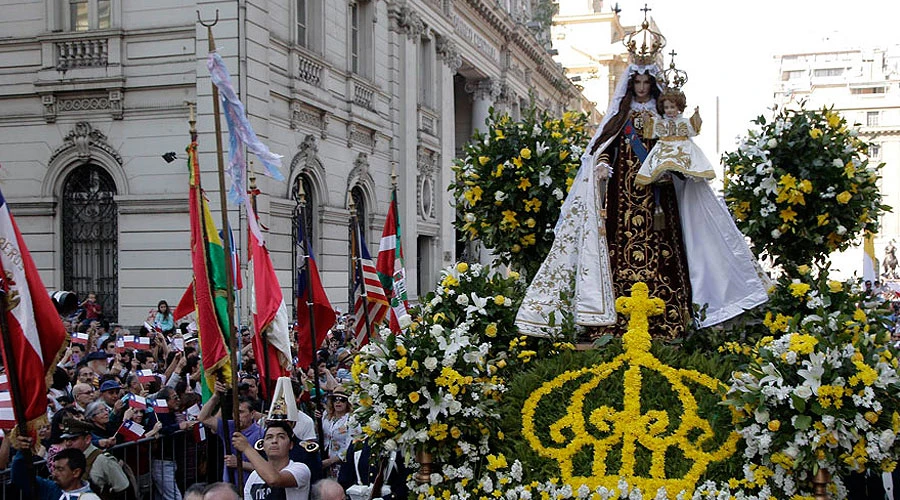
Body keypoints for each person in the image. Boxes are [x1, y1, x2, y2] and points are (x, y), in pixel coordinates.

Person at [517, 26, 767, 338]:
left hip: (658, 196)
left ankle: (670, 314)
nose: (642, 88)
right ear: (630, 82)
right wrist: (602, 167)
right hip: (624, 196)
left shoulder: (664, 119)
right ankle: (614, 316)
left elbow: (679, 150)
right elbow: (604, 148)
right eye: (637, 82)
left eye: (647, 82)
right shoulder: (620, 115)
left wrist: (674, 170)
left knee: (663, 247)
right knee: (619, 247)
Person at [636, 88, 713, 186]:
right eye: (666, 107)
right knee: (661, 159)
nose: (669, 110)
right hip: (664, 146)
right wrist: (646, 119)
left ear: (679, 107)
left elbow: (694, 128)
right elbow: (650, 131)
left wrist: (696, 115)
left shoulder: (684, 122)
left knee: (681, 158)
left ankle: (681, 173)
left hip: (681, 145)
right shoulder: (661, 122)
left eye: (672, 107)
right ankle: (665, 174)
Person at [197, 381, 264, 483]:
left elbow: (266, 467)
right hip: (230, 486)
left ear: (252, 414)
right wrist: (216, 396)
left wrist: (240, 463)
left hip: (251, 487)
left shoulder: (261, 433)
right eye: (234, 412)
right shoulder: (229, 426)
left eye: (241, 412)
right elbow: (203, 418)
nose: (237, 416)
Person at [233, 421, 311, 500]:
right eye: (269, 437)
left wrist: (247, 448)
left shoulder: (300, 469)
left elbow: (274, 479)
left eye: (281, 437)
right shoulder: (254, 476)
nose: (274, 441)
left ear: (290, 445)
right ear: (263, 445)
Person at [58, 417, 130, 497]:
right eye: (66, 439)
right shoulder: (67, 460)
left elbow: (123, 488)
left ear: (87, 439)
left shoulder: (103, 460)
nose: (68, 443)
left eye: (73, 439)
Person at [10, 442, 101, 500]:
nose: (54, 473)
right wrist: (23, 449)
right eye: (54, 468)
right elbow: (20, 477)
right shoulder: (49, 488)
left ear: (76, 472)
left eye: (60, 469)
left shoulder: (89, 498)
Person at [320, 388, 355, 478]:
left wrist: (331, 461)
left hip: (342, 464)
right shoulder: (326, 415)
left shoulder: (351, 420)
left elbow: (351, 446)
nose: (338, 402)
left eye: (342, 400)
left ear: (348, 403)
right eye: (335, 399)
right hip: (324, 459)